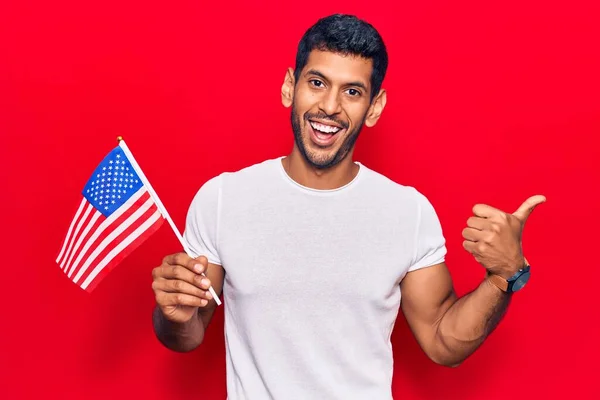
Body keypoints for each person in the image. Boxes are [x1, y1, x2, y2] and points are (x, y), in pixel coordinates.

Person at [151, 13, 545, 400]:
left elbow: (444, 342)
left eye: (352, 92)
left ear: (374, 107)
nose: (330, 106)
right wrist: (173, 312)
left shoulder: (407, 211)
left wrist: (505, 275)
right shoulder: (222, 199)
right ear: (290, 86)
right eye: (317, 82)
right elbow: (188, 334)